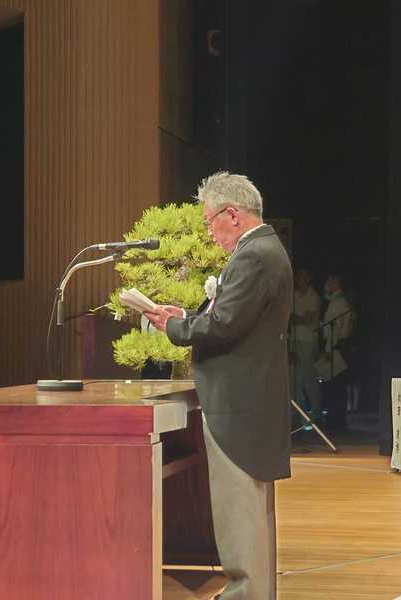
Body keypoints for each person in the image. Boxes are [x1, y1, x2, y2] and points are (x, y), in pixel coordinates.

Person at [144, 171, 291, 600]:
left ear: (232, 214)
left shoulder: (253, 255)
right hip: (250, 402)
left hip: (238, 405)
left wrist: (174, 327)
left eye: (210, 221)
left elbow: (224, 325)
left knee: (240, 510)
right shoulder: (265, 249)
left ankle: (246, 595)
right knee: (249, 512)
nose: (209, 232)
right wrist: (187, 316)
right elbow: (230, 318)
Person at [317, 272, 353, 430]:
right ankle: (337, 419)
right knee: (336, 384)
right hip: (337, 345)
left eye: (329, 281)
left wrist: (329, 348)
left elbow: (336, 329)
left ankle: (336, 421)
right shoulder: (336, 300)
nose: (326, 284)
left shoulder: (338, 302)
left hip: (337, 346)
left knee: (336, 385)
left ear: (336, 282)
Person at [291, 268, 322, 422]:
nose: (299, 279)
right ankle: (299, 415)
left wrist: (297, 318)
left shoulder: (314, 296)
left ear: (309, 278)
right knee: (295, 380)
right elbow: (289, 317)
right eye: (298, 276)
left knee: (309, 379)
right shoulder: (293, 295)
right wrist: (299, 318)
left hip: (308, 341)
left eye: (302, 276)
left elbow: (308, 319)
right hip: (293, 340)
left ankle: (316, 414)